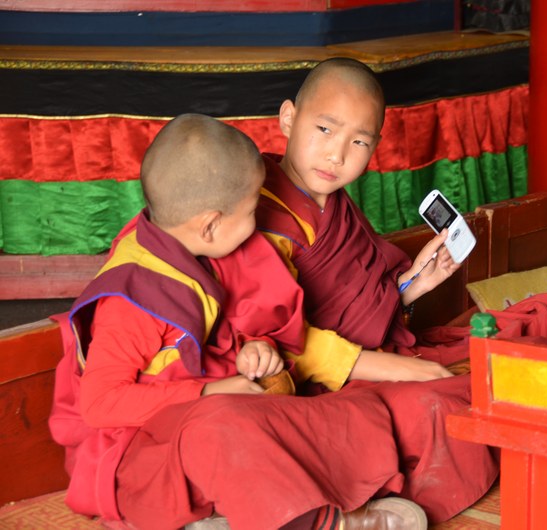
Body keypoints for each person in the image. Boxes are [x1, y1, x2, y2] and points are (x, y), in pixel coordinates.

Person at [227, 58, 547, 523]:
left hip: (367, 358)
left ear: (375, 147)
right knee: (440, 406)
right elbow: (287, 343)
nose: (337, 156)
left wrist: (415, 283)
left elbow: (361, 298)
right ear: (288, 118)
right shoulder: (260, 213)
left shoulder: (332, 203)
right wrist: (401, 370)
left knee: (521, 352)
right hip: (307, 387)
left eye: (358, 142)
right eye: (325, 129)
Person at [48, 113, 429, 530]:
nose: (256, 226)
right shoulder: (134, 298)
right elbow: (101, 405)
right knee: (225, 425)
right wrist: (211, 390)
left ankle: (235, 515)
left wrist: (251, 353)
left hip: (198, 429)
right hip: (136, 456)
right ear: (210, 224)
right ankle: (322, 522)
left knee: (337, 410)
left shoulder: (188, 253)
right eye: (251, 211)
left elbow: (212, 343)